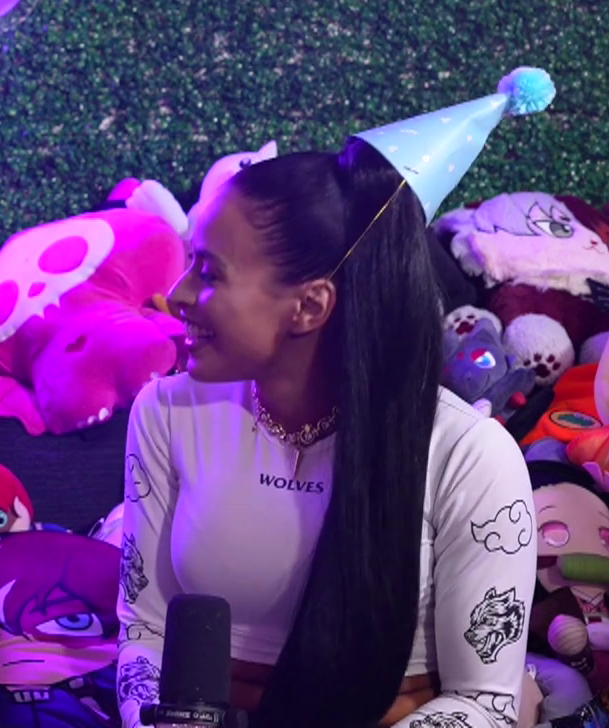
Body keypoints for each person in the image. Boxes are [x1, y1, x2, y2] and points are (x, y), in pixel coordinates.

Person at [117, 121, 544, 726]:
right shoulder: (166, 412)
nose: (177, 294)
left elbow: (484, 702)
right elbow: (144, 629)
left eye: (208, 272)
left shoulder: (469, 455)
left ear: (310, 305)